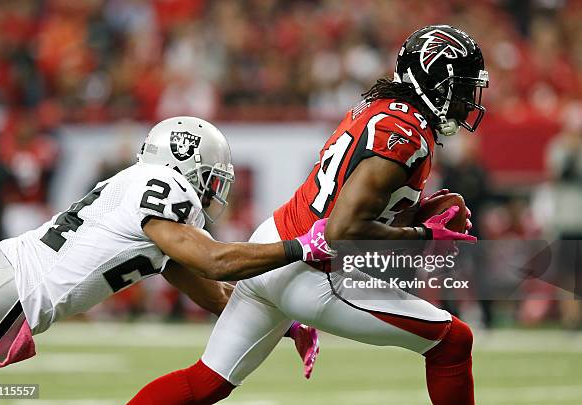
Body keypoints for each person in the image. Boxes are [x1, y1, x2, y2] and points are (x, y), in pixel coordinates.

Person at [130, 25, 487, 405]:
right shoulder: (405, 137)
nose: (468, 101)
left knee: (206, 381)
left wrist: (415, 215)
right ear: (433, 80)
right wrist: (424, 236)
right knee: (453, 341)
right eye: (462, 88)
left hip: (272, 243)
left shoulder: (381, 109)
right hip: (310, 271)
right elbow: (341, 231)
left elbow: (348, 207)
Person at [0, 116, 334, 398]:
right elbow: (214, 260)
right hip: (3, 294)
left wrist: (287, 324)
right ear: (184, 165)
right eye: (210, 177)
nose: (213, 191)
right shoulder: (167, 186)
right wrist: (300, 246)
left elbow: (214, 292)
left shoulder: (145, 199)